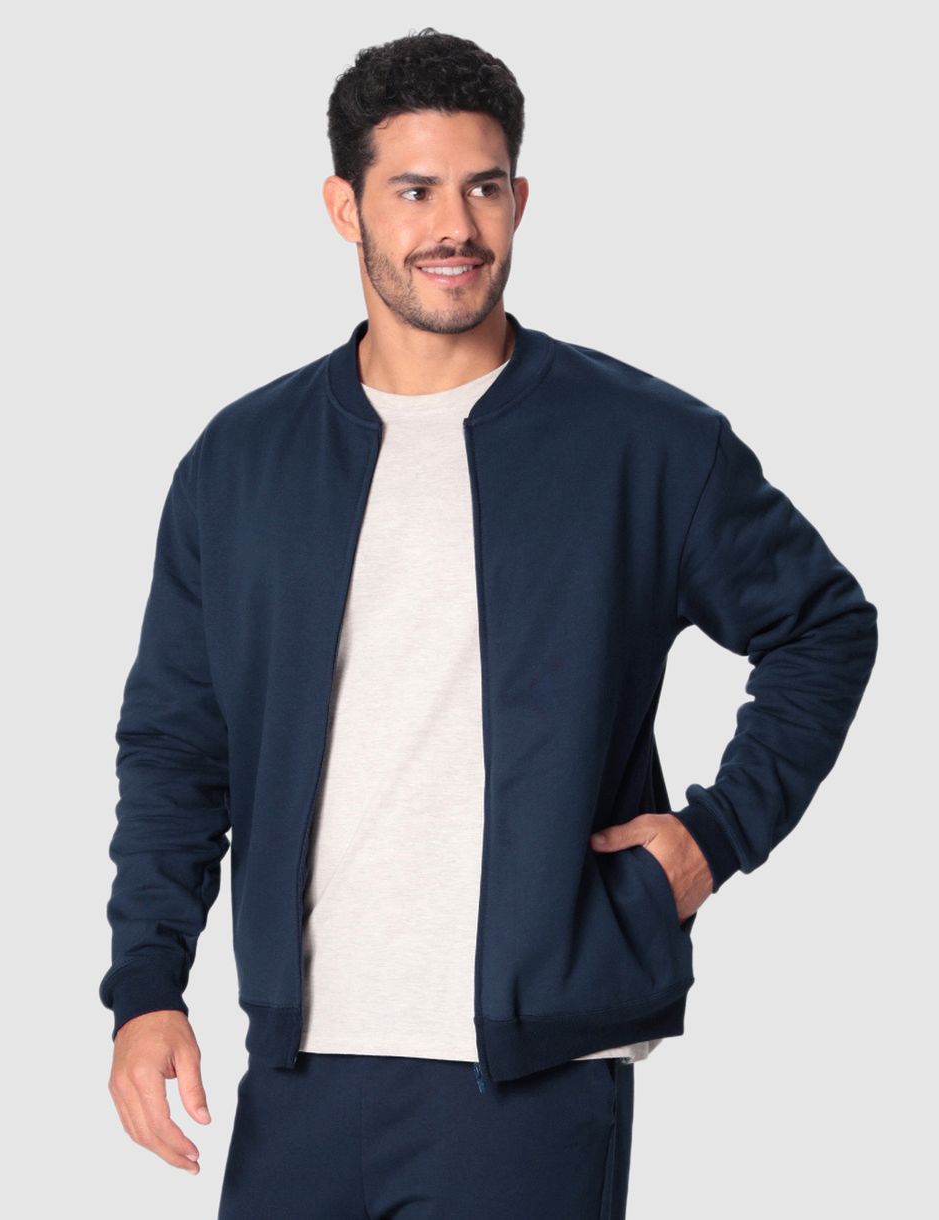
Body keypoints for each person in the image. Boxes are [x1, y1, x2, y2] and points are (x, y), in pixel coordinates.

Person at [99, 28, 878, 1220]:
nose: (454, 225)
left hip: (534, 1070)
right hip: (300, 1066)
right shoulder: (242, 461)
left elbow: (822, 623)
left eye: (484, 186)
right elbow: (175, 743)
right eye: (414, 190)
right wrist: (148, 984)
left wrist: (714, 835)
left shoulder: (642, 443)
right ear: (345, 208)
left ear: (519, 199)